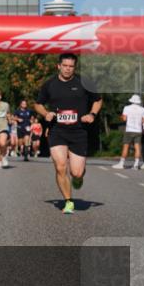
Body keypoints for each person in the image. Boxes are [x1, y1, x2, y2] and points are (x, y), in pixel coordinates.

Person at [33, 53, 103, 214]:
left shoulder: (84, 83)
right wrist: (46, 114)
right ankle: (68, 201)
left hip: (79, 132)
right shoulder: (50, 84)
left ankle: (78, 178)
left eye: (71, 66)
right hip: (57, 131)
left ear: (74, 67)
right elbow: (38, 104)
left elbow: (98, 100)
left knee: (76, 172)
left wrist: (92, 114)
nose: (67, 69)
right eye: (65, 65)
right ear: (59, 66)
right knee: (60, 166)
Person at [114, 94, 144, 170]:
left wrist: (122, 117)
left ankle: (121, 163)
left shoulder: (127, 108)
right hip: (138, 130)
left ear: (131, 100)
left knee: (126, 146)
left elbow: (124, 119)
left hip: (129, 130)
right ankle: (136, 164)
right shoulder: (142, 109)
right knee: (137, 147)